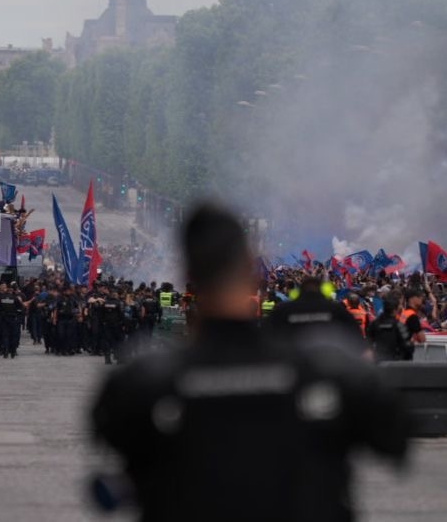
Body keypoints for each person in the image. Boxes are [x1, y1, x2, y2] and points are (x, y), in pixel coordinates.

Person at [91, 203, 409, 522]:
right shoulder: (331, 371)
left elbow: (114, 450)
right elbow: (394, 440)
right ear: (248, 266)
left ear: (188, 273)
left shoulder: (143, 383)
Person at [368, 295, 415, 361]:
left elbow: (368, 342)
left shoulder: (374, 324)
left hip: (378, 361)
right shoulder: (399, 325)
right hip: (394, 362)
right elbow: (408, 346)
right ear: (394, 310)